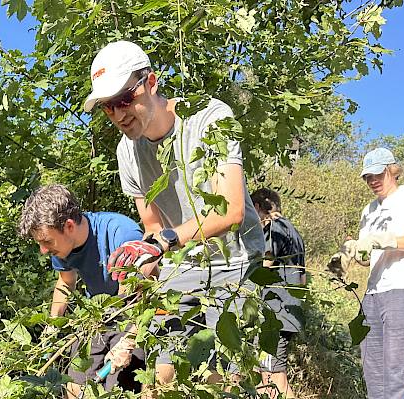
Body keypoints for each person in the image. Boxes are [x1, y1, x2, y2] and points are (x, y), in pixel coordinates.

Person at [83, 40, 265, 389]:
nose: (119, 114)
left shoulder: (209, 118)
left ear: (150, 82)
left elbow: (231, 211)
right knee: (160, 381)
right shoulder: (127, 152)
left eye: (125, 99)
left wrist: (168, 240)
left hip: (235, 262)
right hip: (184, 266)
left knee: (221, 380)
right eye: (108, 107)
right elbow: (152, 226)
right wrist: (138, 270)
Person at [17, 184, 151, 398]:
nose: (43, 250)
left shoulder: (121, 232)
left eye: (46, 242)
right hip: (95, 316)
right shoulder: (61, 246)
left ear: (69, 226)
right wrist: (52, 328)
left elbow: (140, 297)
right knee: (75, 385)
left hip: (131, 313)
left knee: (116, 389)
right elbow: (65, 282)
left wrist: (129, 339)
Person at [340, 148, 404, 399]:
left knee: (396, 370)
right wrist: (352, 252)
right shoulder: (368, 210)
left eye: (377, 174)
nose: (372, 181)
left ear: (392, 170)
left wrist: (387, 239)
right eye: (367, 177)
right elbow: (366, 258)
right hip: (373, 292)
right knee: (373, 371)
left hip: (403, 289)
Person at [251, 188, 306, 399]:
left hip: (274, 315)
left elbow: (264, 265)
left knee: (272, 379)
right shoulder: (295, 232)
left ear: (257, 207)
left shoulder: (273, 227)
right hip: (289, 313)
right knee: (268, 376)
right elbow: (302, 279)